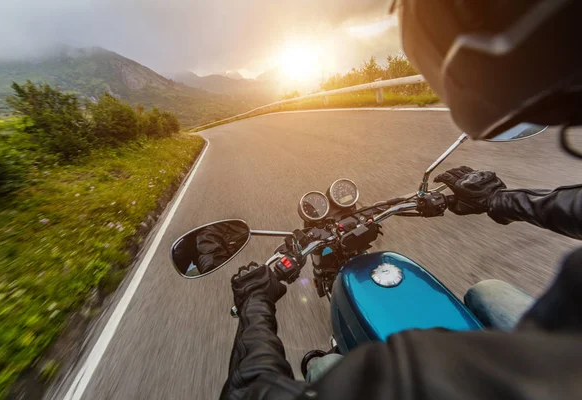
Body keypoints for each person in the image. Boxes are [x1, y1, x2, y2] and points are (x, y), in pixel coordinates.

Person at [220, 1, 582, 399]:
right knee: (487, 291)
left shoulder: (410, 375)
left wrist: (255, 305)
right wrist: (500, 200)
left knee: (324, 367)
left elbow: (255, 392)